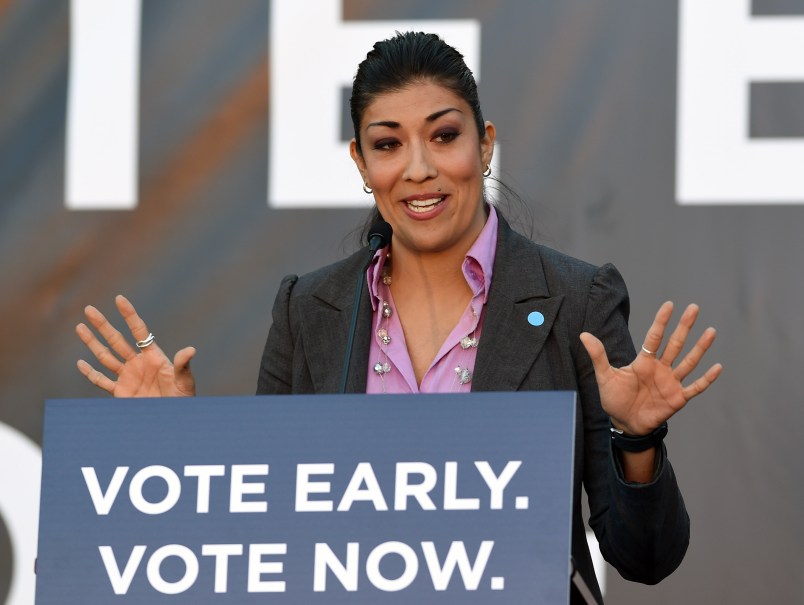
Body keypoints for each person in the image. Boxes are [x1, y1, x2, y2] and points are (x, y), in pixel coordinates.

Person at [76, 32, 722, 604]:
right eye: (389, 144)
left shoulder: (576, 299)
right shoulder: (309, 309)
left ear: (486, 143)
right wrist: (169, 443)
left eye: (444, 135)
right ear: (362, 162)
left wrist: (634, 439)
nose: (419, 168)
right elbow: (267, 541)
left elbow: (646, 559)